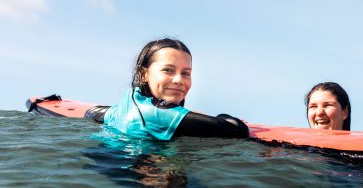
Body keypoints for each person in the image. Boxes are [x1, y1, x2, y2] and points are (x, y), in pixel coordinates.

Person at [85, 38, 249, 140]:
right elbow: (237, 129)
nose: (178, 80)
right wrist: (223, 116)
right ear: (144, 74)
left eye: (186, 73)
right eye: (168, 70)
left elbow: (93, 112)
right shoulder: (157, 114)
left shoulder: (130, 104)